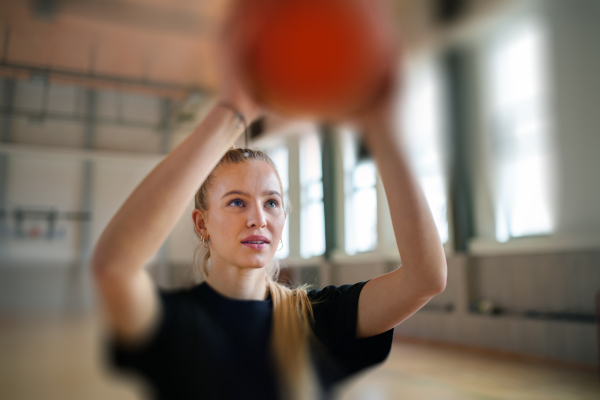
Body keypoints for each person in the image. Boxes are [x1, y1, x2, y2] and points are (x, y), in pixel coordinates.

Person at [91, 28, 447, 400]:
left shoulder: (318, 319)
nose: (258, 218)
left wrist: (381, 128)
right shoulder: (174, 322)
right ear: (201, 224)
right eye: (236, 201)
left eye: (271, 202)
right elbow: (114, 267)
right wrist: (232, 113)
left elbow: (426, 277)